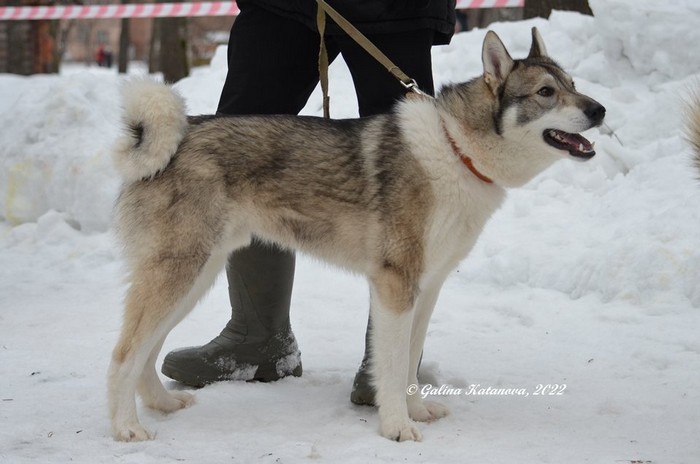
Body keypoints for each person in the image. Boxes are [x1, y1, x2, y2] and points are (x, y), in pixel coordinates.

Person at [161, 0, 456, 406]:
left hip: (395, 8)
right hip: (285, 4)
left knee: (405, 156)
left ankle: (391, 364)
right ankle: (258, 339)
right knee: (242, 141)